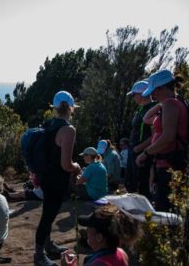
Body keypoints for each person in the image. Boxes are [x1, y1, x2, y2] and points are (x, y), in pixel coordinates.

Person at [34, 91, 81, 266]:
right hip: (56, 181)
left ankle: (47, 245)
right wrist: (76, 167)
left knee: (48, 213)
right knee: (47, 216)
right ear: (71, 107)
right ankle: (39, 255)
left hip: (45, 177)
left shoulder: (48, 125)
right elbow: (66, 165)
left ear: (54, 107)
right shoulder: (68, 130)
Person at [136, 69, 188, 211]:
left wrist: (145, 153)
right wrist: (160, 104)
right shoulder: (172, 103)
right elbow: (147, 119)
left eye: (154, 90)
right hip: (168, 164)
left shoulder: (171, 104)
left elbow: (168, 137)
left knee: (165, 211)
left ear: (163, 87)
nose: (152, 95)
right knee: (167, 209)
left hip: (170, 166)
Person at [61, 205, 142, 266]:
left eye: (89, 227)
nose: (86, 230)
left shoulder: (98, 264)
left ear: (99, 237)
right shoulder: (122, 253)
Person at [125, 80, 155, 198]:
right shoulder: (141, 109)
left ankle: (143, 213)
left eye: (133, 95)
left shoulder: (153, 109)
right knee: (131, 183)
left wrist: (139, 148)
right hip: (134, 150)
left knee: (142, 185)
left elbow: (155, 134)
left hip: (142, 152)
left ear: (141, 94)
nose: (133, 98)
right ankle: (133, 212)